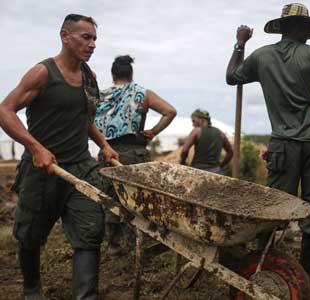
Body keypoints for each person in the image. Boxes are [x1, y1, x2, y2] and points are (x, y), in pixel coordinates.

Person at [226, 3, 310, 279]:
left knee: (273, 209)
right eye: (306, 27)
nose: (308, 32)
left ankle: (263, 268)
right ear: (301, 29)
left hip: (283, 145)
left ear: (282, 28)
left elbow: (231, 77)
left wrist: (239, 44)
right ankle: (305, 276)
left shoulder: (261, 56)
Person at [0, 14, 119, 300]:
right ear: (65, 36)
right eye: (85, 37)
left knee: (90, 231)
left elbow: (83, 118)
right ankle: (31, 290)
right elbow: (5, 110)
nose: (92, 44)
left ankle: (86, 296)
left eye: (94, 39)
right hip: (43, 169)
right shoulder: (43, 73)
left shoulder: (88, 76)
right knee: (30, 234)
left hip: (81, 168)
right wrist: (35, 147)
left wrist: (104, 144)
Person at [95, 55, 177, 255]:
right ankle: (136, 244)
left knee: (110, 197)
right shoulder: (142, 93)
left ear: (113, 75)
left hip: (107, 151)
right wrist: (153, 132)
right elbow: (170, 111)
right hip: (134, 151)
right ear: (131, 74)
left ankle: (113, 244)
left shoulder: (100, 95)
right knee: (136, 199)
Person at [180, 109, 233, 174]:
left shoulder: (197, 131)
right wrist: (221, 166)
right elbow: (230, 152)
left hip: (198, 170)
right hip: (216, 171)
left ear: (202, 120)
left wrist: (182, 163)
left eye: (194, 121)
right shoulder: (220, 133)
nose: (193, 124)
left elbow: (185, 150)